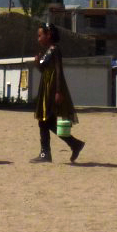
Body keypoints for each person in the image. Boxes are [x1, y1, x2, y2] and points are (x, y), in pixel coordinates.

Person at [31, 23, 85, 163]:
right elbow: (44, 70)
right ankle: (74, 144)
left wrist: (58, 91)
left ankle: (46, 153)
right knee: (47, 122)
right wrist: (37, 63)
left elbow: (59, 70)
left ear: (48, 35)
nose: (38, 39)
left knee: (45, 121)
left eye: (40, 35)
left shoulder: (55, 50)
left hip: (52, 88)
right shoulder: (48, 51)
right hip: (46, 86)